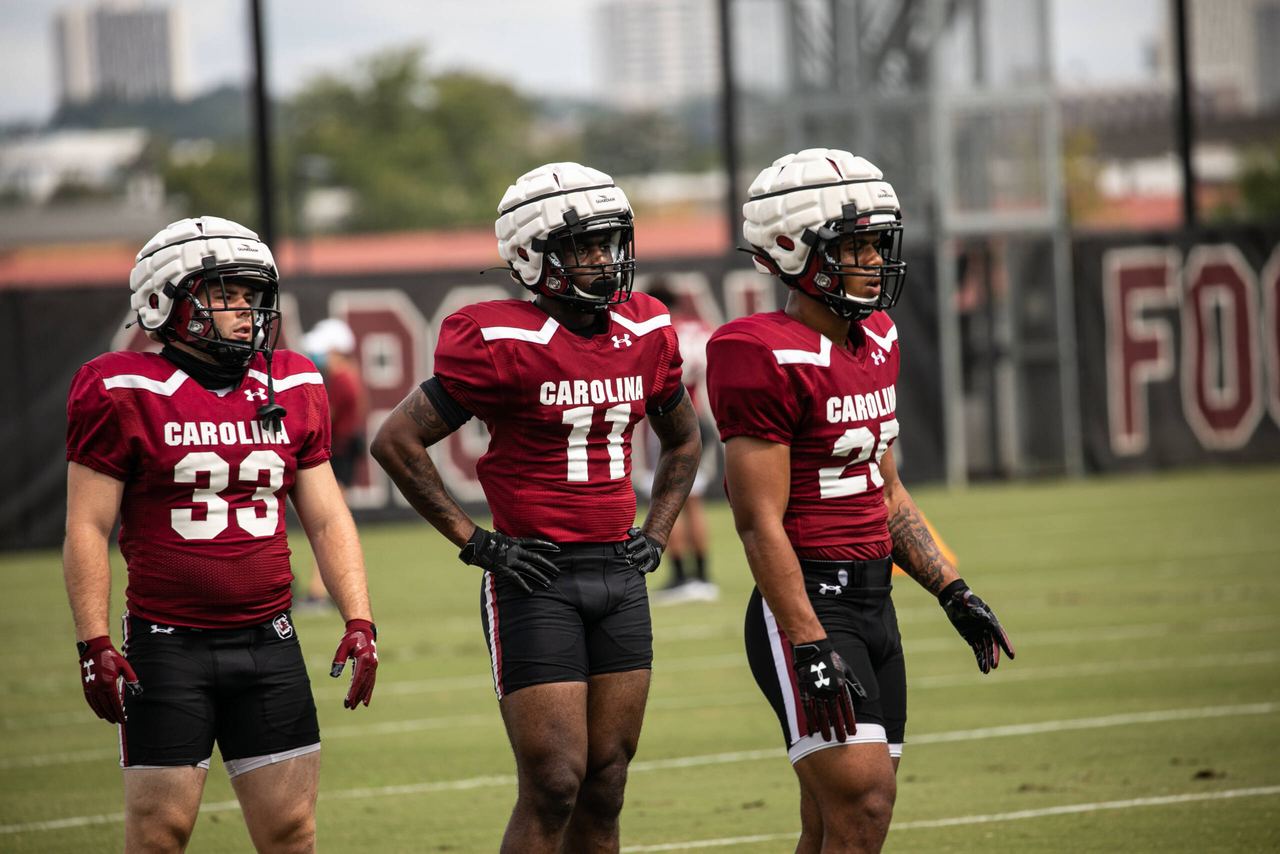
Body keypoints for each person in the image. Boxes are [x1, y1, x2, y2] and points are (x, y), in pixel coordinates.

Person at [371, 162, 701, 854]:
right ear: (531, 256)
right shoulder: (497, 340)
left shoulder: (645, 329)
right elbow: (397, 441)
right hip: (535, 579)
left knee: (606, 785)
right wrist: (476, 541)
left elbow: (684, 441)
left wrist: (659, 530)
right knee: (554, 781)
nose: (603, 260)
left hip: (618, 574)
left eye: (608, 242)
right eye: (581, 246)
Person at [705, 149, 1014, 854]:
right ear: (793, 251)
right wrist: (809, 639)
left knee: (836, 823)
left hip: (877, 600)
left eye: (877, 242)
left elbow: (888, 488)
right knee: (866, 803)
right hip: (810, 602)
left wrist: (951, 588)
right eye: (853, 245)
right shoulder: (759, 352)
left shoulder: (876, 339)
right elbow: (758, 523)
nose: (874, 259)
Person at [63, 216, 379, 854]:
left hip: (270, 641)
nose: (245, 310)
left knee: (292, 834)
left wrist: (359, 617)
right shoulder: (121, 388)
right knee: (160, 835)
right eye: (224, 294)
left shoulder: (289, 382)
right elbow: (88, 527)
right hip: (166, 644)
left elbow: (325, 515)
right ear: (165, 301)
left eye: (250, 295)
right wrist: (92, 640)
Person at [644, 281, 718, 604]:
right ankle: (702, 575)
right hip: (697, 419)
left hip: (663, 422)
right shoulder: (701, 328)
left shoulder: (658, 330)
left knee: (663, 496)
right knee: (695, 501)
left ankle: (679, 576)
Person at [298, 317, 367, 611]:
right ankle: (318, 592)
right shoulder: (351, 375)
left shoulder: (341, 379)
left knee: (328, 524)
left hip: (336, 456)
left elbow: (331, 417)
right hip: (343, 454)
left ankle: (318, 592)